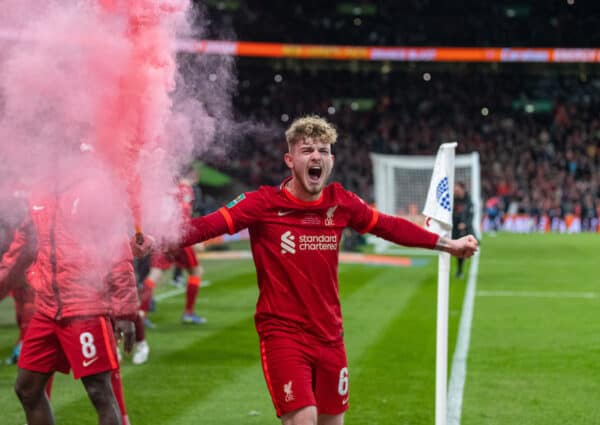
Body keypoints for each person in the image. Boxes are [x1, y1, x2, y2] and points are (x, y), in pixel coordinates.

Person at [133, 115, 478, 425]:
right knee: (304, 418)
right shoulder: (262, 203)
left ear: (331, 160)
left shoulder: (340, 202)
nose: (316, 156)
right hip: (283, 334)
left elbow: (388, 226)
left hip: (330, 335)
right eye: (307, 150)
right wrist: (158, 238)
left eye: (323, 150)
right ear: (290, 159)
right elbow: (208, 226)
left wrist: (447, 244)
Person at [3, 148, 138, 425]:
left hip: (85, 306)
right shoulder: (39, 192)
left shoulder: (93, 189)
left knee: (99, 391)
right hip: (47, 309)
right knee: (27, 389)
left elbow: (117, 249)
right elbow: (22, 246)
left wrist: (125, 313)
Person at [452, 181, 475, 279]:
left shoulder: (468, 201)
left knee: (461, 250)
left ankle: (460, 270)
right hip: (454, 229)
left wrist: (465, 224)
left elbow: (471, 215)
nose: (455, 191)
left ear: (462, 189)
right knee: (453, 249)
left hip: (465, 230)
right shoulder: (453, 200)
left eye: (457, 189)